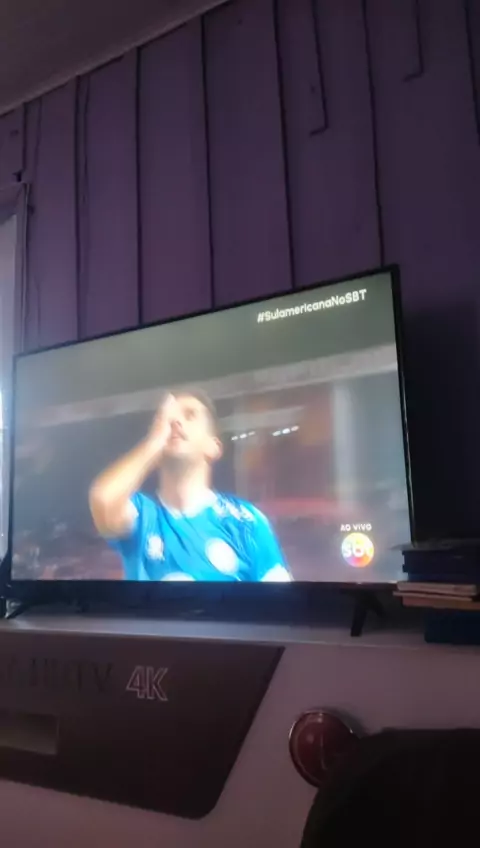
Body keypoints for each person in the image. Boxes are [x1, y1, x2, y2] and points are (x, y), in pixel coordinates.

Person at [89, 389, 292, 582]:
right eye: (167, 418)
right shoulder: (142, 515)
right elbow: (103, 500)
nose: (175, 421)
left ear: (213, 447)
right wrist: (154, 442)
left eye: (190, 415)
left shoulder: (245, 521)